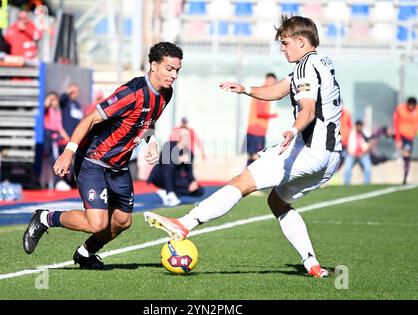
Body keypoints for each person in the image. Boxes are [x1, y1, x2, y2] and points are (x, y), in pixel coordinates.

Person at [144, 16, 342, 278]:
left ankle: (185, 223)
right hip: (330, 157)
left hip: (308, 151)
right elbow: (280, 90)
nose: (282, 49)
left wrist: (293, 129)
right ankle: (311, 263)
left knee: (241, 182)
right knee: (277, 203)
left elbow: (306, 109)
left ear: (302, 41)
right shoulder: (320, 62)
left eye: (285, 43)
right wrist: (246, 88)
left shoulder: (305, 66)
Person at [22, 42, 183, 270]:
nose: (174, 75)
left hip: (119, 166)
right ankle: (44, 218)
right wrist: (69, 151)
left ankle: (85, 253)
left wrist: (153, 142)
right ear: (154, 66)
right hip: (94, 160)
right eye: (169, 69)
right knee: (97, 223)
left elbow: (149, 121)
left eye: (177, 70)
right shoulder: (132, 92)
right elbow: (90, 119)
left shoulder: (166, 94)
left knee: (122, 221)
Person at [148, 128, 204, 206]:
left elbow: (189, 171)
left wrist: (193, 181)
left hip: (175, 179)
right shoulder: (169, 145)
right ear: (179, 137)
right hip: (160, 177)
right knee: (169, 163)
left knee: (199, 190)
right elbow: (162, 160)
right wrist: (178, 159)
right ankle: (170, 193)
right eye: (184, 135)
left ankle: (167, 193)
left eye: (188, 136)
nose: (186, 138)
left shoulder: (189, 153)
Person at [245, 73, 278, 166]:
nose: (273, 84)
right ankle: (249, 179)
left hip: (254, 130)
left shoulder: (261, 91)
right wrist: (272, 116)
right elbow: (260, 112)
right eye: (272, 81)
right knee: (256, 158)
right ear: (266, 80)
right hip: (257, 130)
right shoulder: (263, 93)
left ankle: (246, 178)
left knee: (252, 158)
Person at [393, 96, 418, 185]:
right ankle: (397, 153)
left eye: (413, 106)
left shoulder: (417, 111)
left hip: (408, 138)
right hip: (399, 134)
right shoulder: (400, 109)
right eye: (410, 105)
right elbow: (396, 123)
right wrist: (397, 139)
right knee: (385, 130)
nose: (411, 107)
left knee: (407, 157)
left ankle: (405, 177)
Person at [343, 120, 372, 185]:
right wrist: (351, 153)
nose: (359, 128)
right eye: (357, 126)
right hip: (352, 155)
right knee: (347, 169)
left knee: (368, 169)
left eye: (360, 126)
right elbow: (347, 143)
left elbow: (370, 144)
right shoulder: (351, 132)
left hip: (363, 155)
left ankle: (367, 185)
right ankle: (346, 184)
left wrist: (364, 153)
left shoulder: (366, 133)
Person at [338, 105, 352, 170]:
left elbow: (350, 127)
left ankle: (336, 174)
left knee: (343, 158)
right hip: (336, 142)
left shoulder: (347, 113)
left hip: (344, 143)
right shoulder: (333, 113)